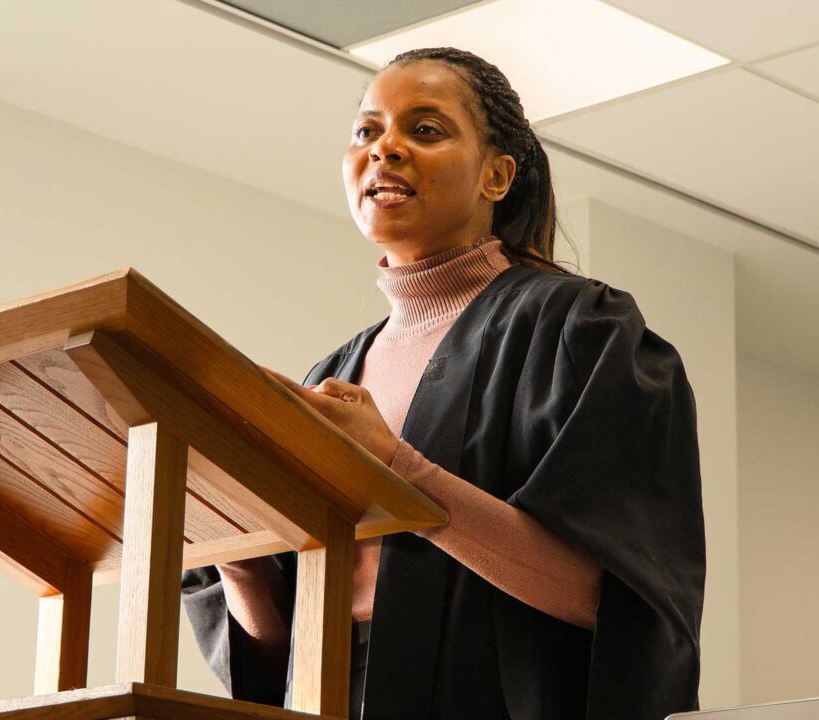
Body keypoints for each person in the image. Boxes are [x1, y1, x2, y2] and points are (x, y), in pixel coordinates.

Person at [182, 47, 705, 720]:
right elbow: (282, 658)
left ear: (496, 176)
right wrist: (238, 542)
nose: (384, 149)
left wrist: (398, 470)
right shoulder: (332, 377)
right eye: (366, 131)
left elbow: (613, 599)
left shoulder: (579, 328)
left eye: (424, 130)